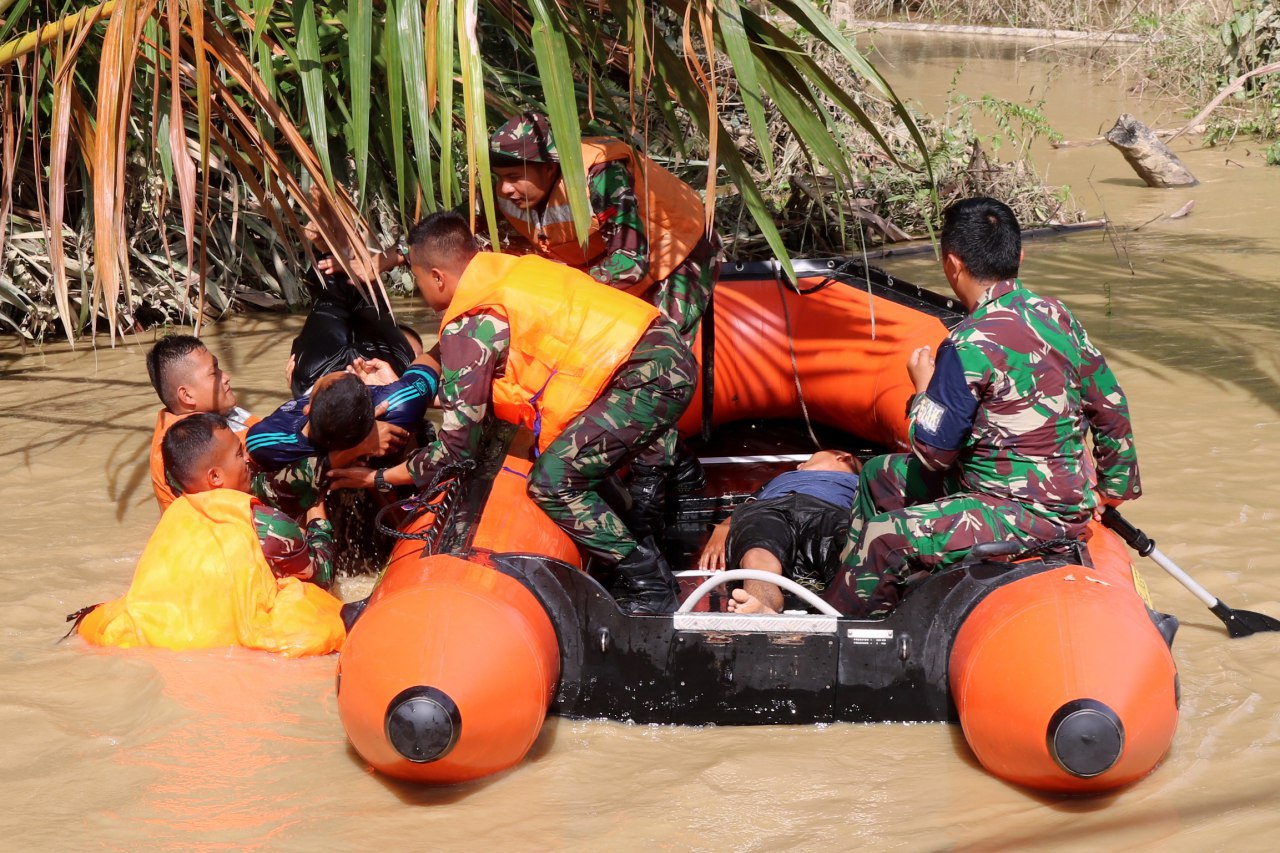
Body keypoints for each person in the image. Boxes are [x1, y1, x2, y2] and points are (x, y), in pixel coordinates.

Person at [328, 211, 697, 614]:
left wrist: (381, 477)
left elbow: (456, 447)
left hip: (646, 378)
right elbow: (490, 386)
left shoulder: (470, 323)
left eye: (417, 281)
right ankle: (638, 546)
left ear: (437, 277)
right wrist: (410, 378)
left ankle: (650, 586)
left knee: (553, 482)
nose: (421, 292)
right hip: (658, 351)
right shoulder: (505, 269)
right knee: (570, 460)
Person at [822, 197, 1142, 618]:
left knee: (885, 536)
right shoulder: (1057, 315)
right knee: (876, 474)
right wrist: (1112, 490)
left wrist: (922, 389)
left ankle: (850, 624)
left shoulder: (967, 344)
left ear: (951, 263)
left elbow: (933, 455)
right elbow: (1111, 407)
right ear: (1019, 255)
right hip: (1049, 498)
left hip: (1015, 511)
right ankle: (859, 581)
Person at [488, 111, 722, 532]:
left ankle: (654, 490)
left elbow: (631, 264)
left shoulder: (600, 175)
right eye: (500, 176)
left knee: (654, 366)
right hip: (601, 262)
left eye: (516, 176)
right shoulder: (505, 192)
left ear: (551, 166)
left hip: (677, 253)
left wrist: (563, 298)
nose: (506, 188)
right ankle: (684, 470)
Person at [76, 414, 345, 656]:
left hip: (155, 638)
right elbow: (322, 575)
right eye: (239, 455)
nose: (249, 460)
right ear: (215, 476)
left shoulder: (172, 517)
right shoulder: (264, 522)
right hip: (229, 643)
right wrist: (316, 511)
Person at [697, 451, 861, 615]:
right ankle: (762, 603)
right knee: (758, 550)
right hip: (771, 509)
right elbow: (747, 508)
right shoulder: (778, 481)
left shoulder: (861, 480)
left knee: (845, 546)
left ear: (843, 457)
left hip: (829, 511)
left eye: (808, 460)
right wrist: (724, 527)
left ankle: (846, 610)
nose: (799, 466)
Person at [246, 352, 439, 473]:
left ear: (307, 407)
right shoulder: (396, 403)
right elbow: (433, 357)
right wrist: (391, 385)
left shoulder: (265, 441)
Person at [146, 335, 259, 510]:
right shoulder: (187, 444)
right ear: (187, 395)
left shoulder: (220, 413)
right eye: (214, 373)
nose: (226, 377)